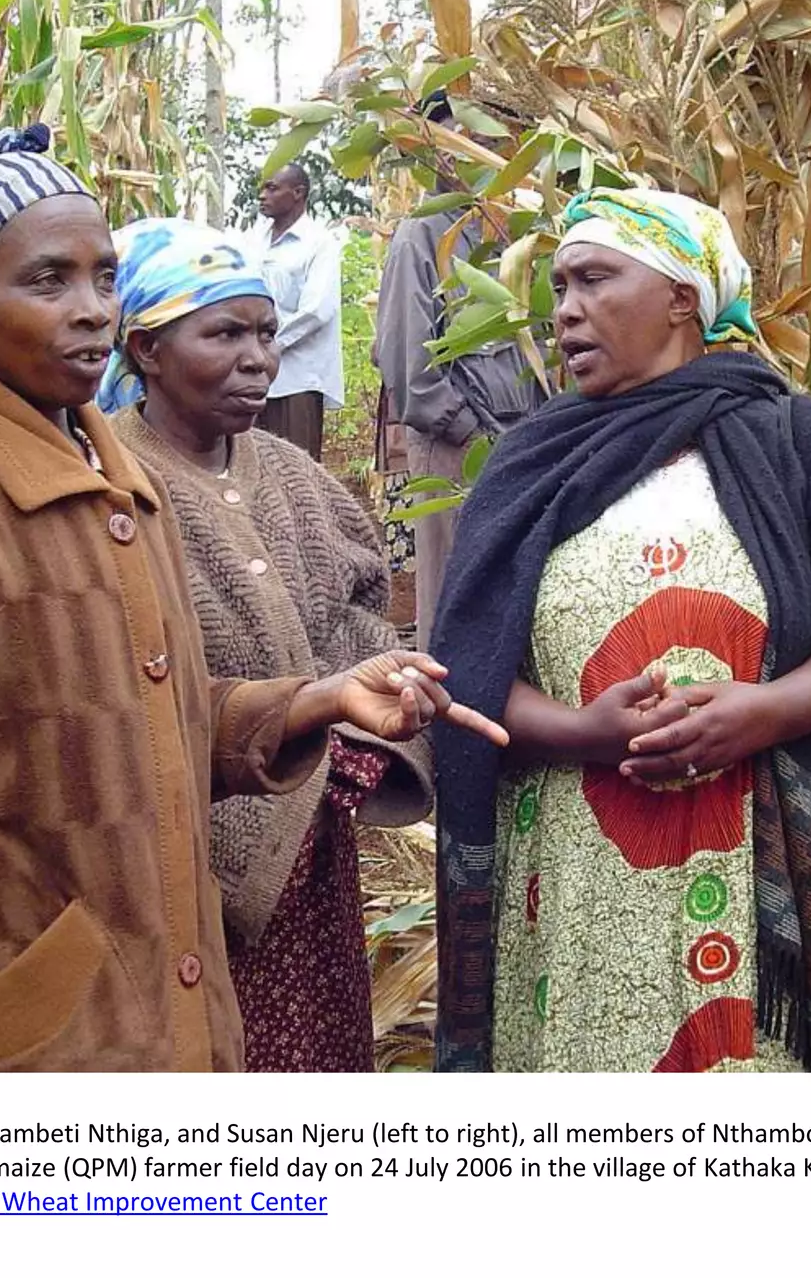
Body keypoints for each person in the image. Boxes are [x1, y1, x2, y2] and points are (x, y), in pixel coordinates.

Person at [0, 126, 500, 1073]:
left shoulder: (116, 470)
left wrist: (318, 701)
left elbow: (153, 717)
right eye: (47, 282)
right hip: (32, 1023)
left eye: (102, 277)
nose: (89, 310)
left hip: (163, 994)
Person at [427, 187, 811, 1074]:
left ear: (684, 297)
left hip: (754, 876)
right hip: (569, 872)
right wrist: (582, 731)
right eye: (558, 288)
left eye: (595, 279)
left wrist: (766, 712)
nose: (567, 311)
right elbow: (465, 665)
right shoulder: (534, 460)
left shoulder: (787, 438)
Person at [97, 218, 434, 1071]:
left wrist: (364, 710)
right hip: (180, 858)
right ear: (144, 348)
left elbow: (359, 607)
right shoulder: (109, 487)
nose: (258, 358)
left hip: (310, 842)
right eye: (225, 333)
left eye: (267, 334)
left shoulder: (291, 475)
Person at [372, 123, 541, 649]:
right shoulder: (420, 236)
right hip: (457, 446)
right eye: (464, 139)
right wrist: (469, 432)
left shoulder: (507, 233)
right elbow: (406, 363)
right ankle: (443, 718)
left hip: (524, 440)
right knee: (453, 591)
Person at [241, 162, 341, 459]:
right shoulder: (254, 242)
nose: (262, 195)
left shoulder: (318, 244)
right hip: (254, 377)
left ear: (298, 193)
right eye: (262, 188)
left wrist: (269, 345)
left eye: (272, 188)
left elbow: (316, 311)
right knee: (254, 463)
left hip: (297, 379)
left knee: (297, 470)